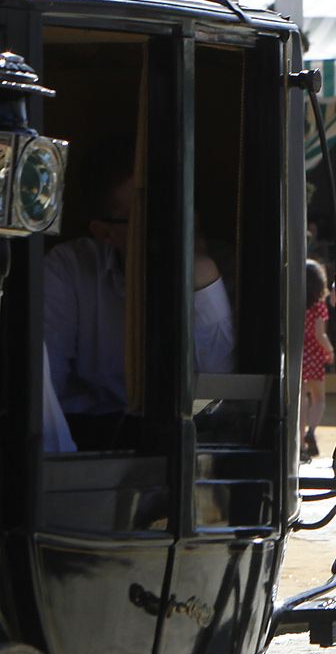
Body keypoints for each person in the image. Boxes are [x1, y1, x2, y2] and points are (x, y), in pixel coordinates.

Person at [44, 155, 235, 447]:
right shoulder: (71, 269)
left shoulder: (226, 266)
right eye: (149, 216)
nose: (173, 223)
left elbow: (222, 396)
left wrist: (200, 281)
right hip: (93, 439)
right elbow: (44, 397)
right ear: (105, 233)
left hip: (191, 441)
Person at [302, 259, 334, 461]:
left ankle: (300, 440)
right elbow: (319, 333)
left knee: (300, 399)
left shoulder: (294, 302)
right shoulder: (319, 306)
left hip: (298, 352)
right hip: (314, 354)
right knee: (319, 398)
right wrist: (330, 350)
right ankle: (311, 431)